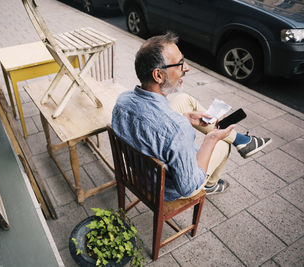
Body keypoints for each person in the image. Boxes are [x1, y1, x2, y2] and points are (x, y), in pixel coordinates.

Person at [111, 32, 272, 200]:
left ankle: (240, 140)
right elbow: (187, 187)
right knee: (224, 144)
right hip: (165, 188)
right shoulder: (177, 129)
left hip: (140, 173)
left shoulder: (122, 100)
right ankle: (210, 184)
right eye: (180, 64)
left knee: (183, 98)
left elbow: (156, 126)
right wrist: (211, 139)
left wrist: (185, 117)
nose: (186, 68)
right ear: (158, 75)